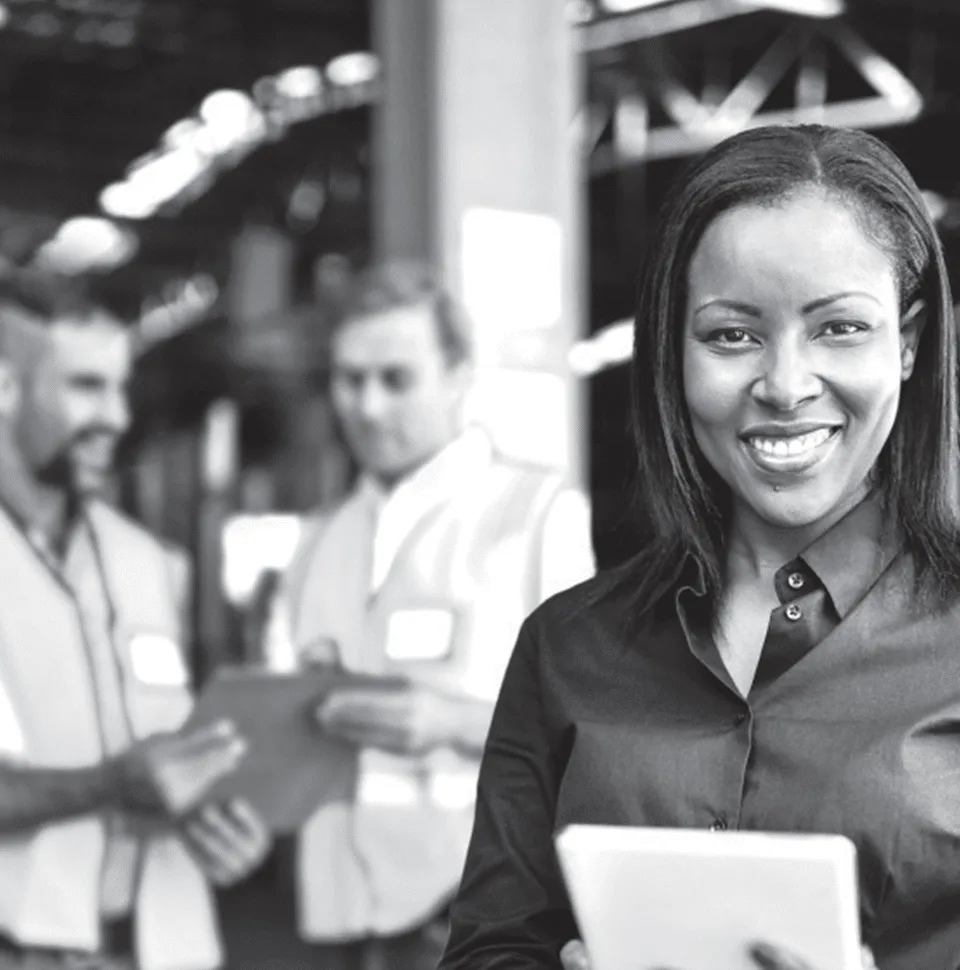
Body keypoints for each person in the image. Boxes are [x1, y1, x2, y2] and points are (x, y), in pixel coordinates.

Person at [438, 123, 960, 970]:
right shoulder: (567, 648)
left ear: (906, 342)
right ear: (671, 353)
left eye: (839, 328)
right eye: (732, 335)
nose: (785, 386)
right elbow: (490, 951)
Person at [227, 261, 596, 970]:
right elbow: (274, 726)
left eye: (396, 379)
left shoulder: (536, 515)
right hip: (333, 915)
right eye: (350, 380)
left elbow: (592, 730)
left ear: (458, 377)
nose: (367, 407)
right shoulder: (316, 542)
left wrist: (450, 723)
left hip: (475, 911)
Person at [0, 270, 271, 970]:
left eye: (121, 387)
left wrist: (221, 824)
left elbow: (165, 754)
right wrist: (108, 786)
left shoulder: (144, 561)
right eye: (86, 387)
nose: (118, 417)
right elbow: (127, 776)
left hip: (165, 948)